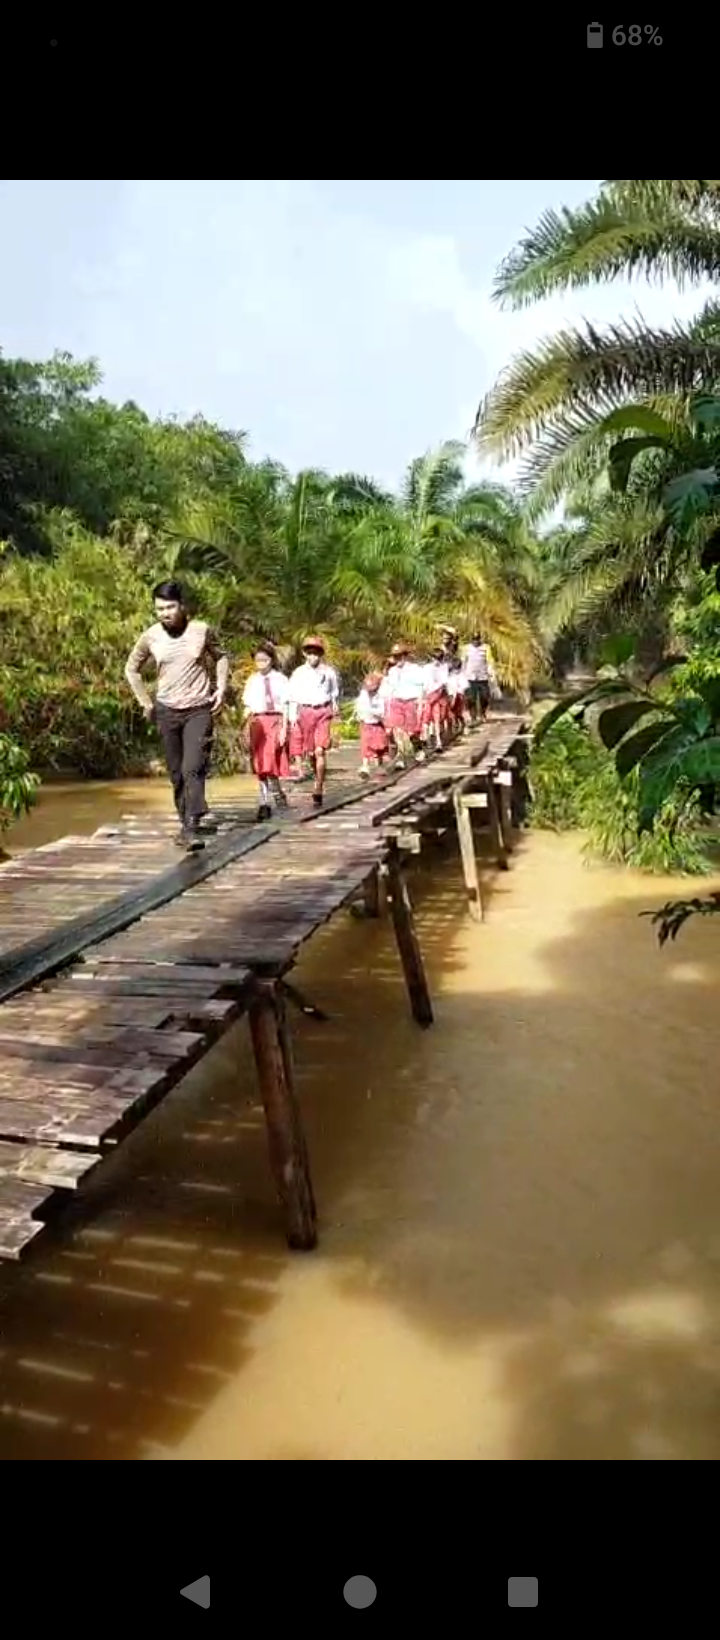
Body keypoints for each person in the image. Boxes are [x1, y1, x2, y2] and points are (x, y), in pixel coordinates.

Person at [125, 580, 229, 851]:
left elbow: (221, 657)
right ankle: (186, 825)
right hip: (167, 711)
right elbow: (131, 669)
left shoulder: (201, 630)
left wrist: (220, 689)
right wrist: (145, 703)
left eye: (170, 607)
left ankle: (192, 826)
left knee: (192, 767)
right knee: (176, 774)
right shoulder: (151, 636)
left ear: (182, 606)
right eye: (159, 609)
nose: (165, 613)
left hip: (198, 709)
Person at [287, 636, 340, 807]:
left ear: (321, 654)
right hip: (305, 712)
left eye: (316, 653)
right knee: (310, 753)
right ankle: (316, 776)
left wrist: (334, 707)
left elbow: (334, 692)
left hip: (323, 711)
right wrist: (292, 716)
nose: (313, 656)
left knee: (319, 751)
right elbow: (292, 695)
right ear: (304, 654)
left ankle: (318, 787)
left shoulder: (329, 672)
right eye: (309, 653)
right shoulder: (298, 673)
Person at [242, 642, 290, 821]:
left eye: (265, 660)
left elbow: (286, 705)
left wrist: (285, 728)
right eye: (258, 660)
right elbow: (247, 705)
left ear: (271, 660)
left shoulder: (281, 679)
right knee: (260, 761)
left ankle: (275, 791)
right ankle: (265, 800)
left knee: (270, 759)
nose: (261, 663)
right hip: (258, 722)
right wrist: (244, 724)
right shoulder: (252, 680)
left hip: (275, 720)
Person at [380, 642, 425, 766]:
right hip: (396, 701)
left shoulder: (415, 669)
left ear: (405, 656)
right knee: (398, 730)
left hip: (410, 701)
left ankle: (417, 748)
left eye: (399, 656)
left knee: (411, 732)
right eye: (395, 656)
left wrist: (421, 700)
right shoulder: (392, 671)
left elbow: (422, 685)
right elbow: (389, 688)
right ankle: (401, 756)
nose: (397, 659)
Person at [354, 671, 389, 778]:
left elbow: (382, 712)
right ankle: (365, 766)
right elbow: (359, 708)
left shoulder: (381, 696)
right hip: (366, 724)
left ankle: (379, 765)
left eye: (373, 689)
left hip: (377, 724)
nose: (371, 691)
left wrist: (373, 712)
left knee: (379, 745)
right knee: (366, 745)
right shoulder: (363, 695)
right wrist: (360, 714)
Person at [461, 631, 499, 723]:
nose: (476, 641)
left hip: (483, 677)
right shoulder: (466, 648)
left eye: (477, 639)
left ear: (480, 639)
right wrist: (462, 675)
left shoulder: (486, 647)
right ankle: (473, 717)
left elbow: (490, 661)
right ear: (471, 640)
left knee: (485, 697)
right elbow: (463, 662)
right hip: (470, 677)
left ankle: (482, 713)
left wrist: (492, 673)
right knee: (471, 698)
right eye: (474, 639)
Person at [419, 647, 449, 751]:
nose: (437, 661)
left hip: (439, 695)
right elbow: (424, 683)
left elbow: (444, 682)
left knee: (438, 718)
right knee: (426, 719)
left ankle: (439, 742)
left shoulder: (444, 667)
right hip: (429, 695)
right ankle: (427, 740)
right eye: (435, 658)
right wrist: (423, 696)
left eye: (439, 658)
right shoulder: (427, 668)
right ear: (432, 658)